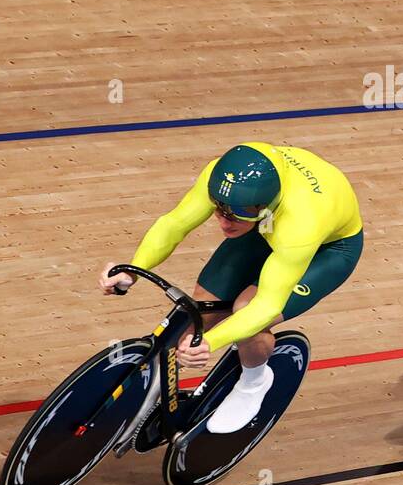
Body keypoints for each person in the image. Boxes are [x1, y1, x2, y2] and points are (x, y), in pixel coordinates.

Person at [100, 141, 363, 432]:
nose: (224, 223)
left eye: (235, 215)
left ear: (263, 207)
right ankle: (154, 392)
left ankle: (254, 382)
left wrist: (211, 343)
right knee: (200, 311)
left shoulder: (302, 222)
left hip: (328, 251)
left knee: (245, 310)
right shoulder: (224, 179)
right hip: (266, 228)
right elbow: (174, 224)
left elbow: (266, 306)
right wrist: (135, 269)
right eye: (219, 210)